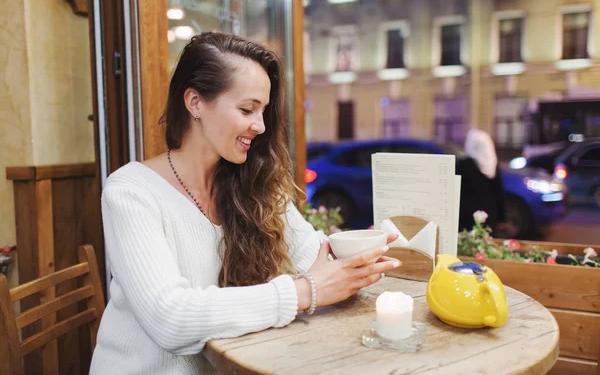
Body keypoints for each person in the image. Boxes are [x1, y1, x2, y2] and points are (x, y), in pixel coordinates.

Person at [90, 32, 400, 374]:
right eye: (247, 109)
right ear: (194, 103)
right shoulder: (131, 191)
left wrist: (358, 255)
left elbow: (313, 253)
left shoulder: (253, 182)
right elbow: (171, 319)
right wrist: (304, 291)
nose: (260, 125)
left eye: (264, 111)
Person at [456, 129, 508, 235]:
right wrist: (502, 217)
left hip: (467, 216)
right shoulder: (492, 164)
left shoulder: (465, 164)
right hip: (490, 215)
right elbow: (499, 192)